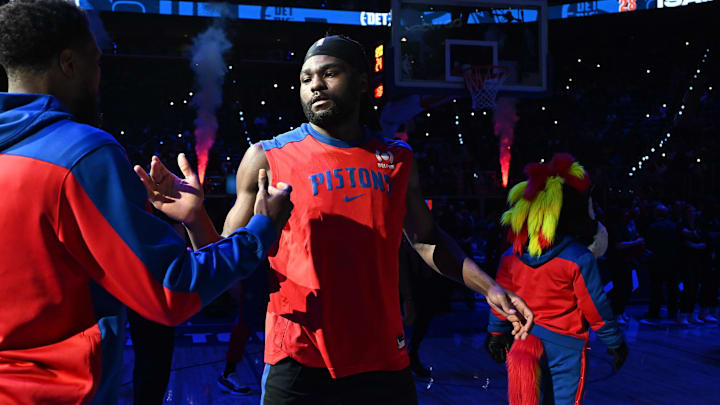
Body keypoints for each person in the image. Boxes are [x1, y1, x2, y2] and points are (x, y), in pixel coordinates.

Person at [148, 34, 533, 404]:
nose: (315, 85)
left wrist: (489, 288)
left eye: (329, 73)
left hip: (382, 355)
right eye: (306, 78)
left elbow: (427, 239)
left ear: (363, 82)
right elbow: (224, 262)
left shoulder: (398, 159)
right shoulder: (267, 157)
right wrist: (196, 219)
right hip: (298, 356)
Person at [0, 1, 292, 404]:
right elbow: (172, 293)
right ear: (68, 63)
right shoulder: (81, 153)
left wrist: (193, 219)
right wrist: (261, 229)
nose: (99, 78)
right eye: (96, 63)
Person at [486, 154, 627, 405]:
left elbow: (500, 298)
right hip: (566, 346)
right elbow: (594, 305)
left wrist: (496, 332)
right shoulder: (578, 258)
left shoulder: (510, 257)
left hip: (522, 341)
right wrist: (614, 341)